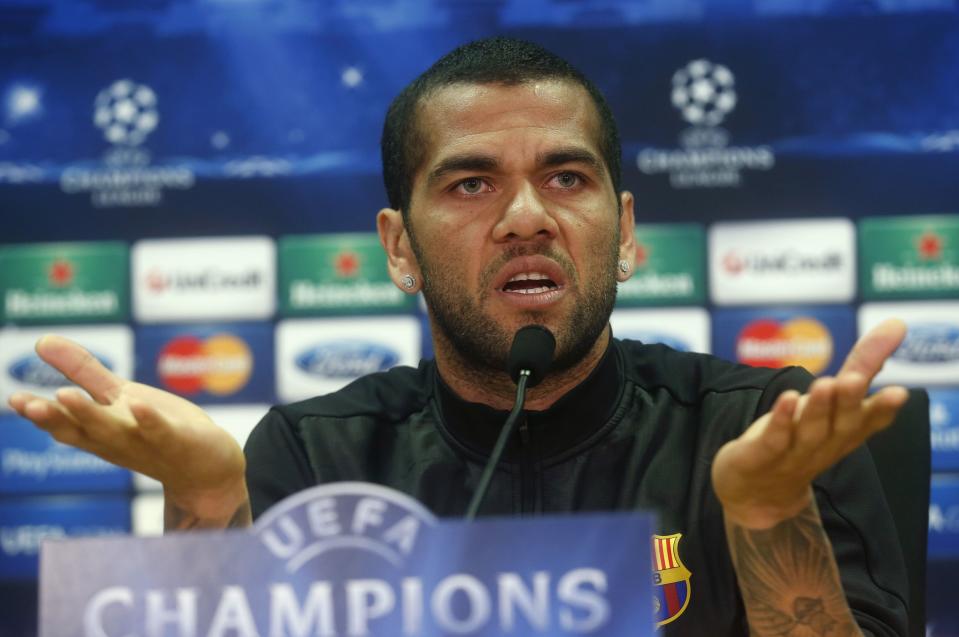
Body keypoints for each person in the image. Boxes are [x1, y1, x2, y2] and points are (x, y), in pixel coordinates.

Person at [8, 37, 910, 636]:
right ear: (399, 248)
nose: (527, 217)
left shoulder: (759, 430)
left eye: (565, 176)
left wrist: (762, 511)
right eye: (470, 184)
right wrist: (207, 499)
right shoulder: (318, 456)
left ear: (625, 232)